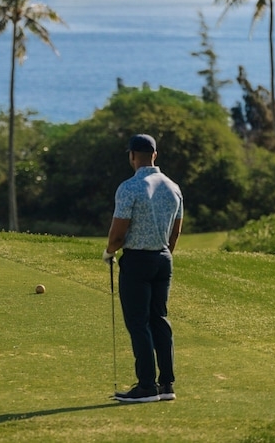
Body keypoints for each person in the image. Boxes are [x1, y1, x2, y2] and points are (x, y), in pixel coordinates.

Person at [104, 133, 183, 403]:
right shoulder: (173, 187)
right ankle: (167, 385)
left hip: (137, 260)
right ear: (155, 155)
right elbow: (175, 232)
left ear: (132, 156)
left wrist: (109, 252)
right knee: (159, 319)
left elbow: (117, 234)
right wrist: (162, 254)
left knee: (138, 323)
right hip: (163, 258)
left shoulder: (129, 187)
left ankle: (146, 386)